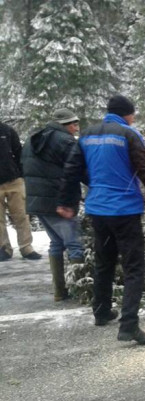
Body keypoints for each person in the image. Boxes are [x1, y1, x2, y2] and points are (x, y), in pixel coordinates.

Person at [57, 95, 145, 345]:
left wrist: (67, 203)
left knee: (104, 262)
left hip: (98, 209)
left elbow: (72, 169)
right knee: (133, 267)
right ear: (127, 114)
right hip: (125, 210)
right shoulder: (129, 134)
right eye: (133, 114)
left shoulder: (87, 135)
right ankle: (129, 325)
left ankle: (102, 311)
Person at [22, 109, 85, 301]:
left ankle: (60, 291)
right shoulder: (65, 141)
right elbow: (78, 168)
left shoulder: (33, 139)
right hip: (60, 202)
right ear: (65, 125)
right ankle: (84, 290)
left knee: (56, 243)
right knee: (75, 244)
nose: (76, 129)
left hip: (37, 201)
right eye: (74, 125)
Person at [0, 120, 42, 261]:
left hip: (14, 180)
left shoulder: (7, 130)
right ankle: (3, 248)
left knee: (21, 215)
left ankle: (26, 247)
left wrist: (21, 174)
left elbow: (19, 152)